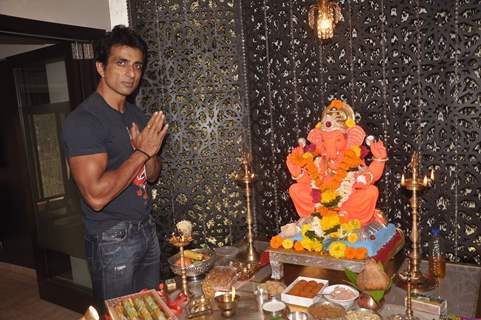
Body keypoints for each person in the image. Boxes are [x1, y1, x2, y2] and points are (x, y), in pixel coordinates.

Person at [62, 25, 168, 311]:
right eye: (121, 63)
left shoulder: (135, 114)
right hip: (112, 239)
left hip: (146, 229)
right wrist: (142, 152)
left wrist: (149, 154)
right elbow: (96, 197)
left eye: (137, 65)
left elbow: (153, 175)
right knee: (118, 315)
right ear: (100, 66)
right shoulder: (84, 121)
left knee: (150, 312)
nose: (131, 73)